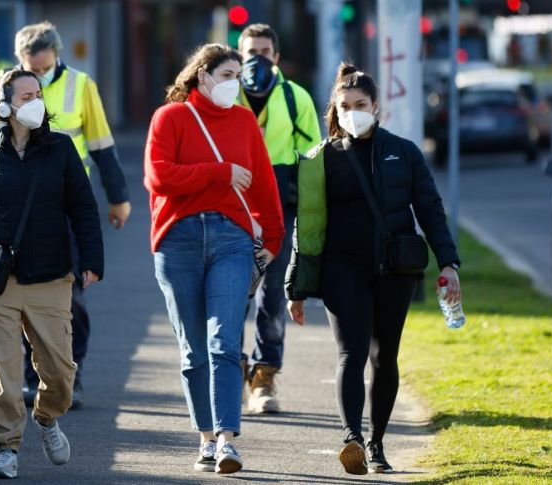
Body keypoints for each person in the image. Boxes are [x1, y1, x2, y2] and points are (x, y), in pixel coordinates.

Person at [285, 63, 462, 475]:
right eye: (344, 106)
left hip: (395, 271)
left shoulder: (404, 152)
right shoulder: (320, 159)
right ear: (334, 108)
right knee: (352, 352)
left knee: (385, 357)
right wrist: (295, 285)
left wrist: (449, 263)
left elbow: (431, 212)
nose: (352, 112)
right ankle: (352, 438)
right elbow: (306, 226)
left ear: (376, 106)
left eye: (360, 104)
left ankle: (378, 443)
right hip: (341, 269)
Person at [0, 69, 104, 479]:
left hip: (50, 278)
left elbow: (83, 208)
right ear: (4, 105)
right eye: (26, 96)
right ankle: (6, 448)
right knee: (4, 372)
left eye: (38, 94)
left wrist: (92, 261)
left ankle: (46, 419)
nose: (36, 101)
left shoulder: (61, 150)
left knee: (61, 374)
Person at [0, 21, 130, 409]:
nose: (36, 76)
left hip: (66, 207)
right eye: (30, 67)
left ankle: (67, 375)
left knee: (70, 298)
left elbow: (102, 144)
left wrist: (117, 198)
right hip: (15, 210)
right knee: (19, 293)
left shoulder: (81, 85)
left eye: (42, 69)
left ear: (56, 56)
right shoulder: (2, 85)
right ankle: (31, 379)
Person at [144, 43, 284, 475]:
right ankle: (205, 438)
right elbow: (158, 176)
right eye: (226, 75)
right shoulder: (170, 117)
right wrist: (219, 172)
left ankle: (227, 440)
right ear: (201, 76)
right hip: (178, 239)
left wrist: (273, 240)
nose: (234, 84)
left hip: (231, 241)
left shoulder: (244, 121)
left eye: (237, 77)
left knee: (225, 341)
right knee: (192, 348)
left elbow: (263, 185)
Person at [235, 23, 321, 414]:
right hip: (231, 207)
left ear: (277, 57)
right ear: (238, 55)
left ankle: (264, 379)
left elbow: (313, 162)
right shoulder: (224, 94)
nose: (257, 59)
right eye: (250, 51)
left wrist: (309, 212)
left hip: (278, 211)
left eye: (264, 51)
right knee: (231, 292)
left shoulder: (295, 98)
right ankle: (232, 372)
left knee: (272, 295)